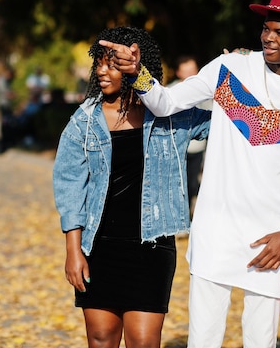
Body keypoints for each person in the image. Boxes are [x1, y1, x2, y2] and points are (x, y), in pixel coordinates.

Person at [102, 0, 280, 348]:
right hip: (216, 231)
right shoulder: (230, 67)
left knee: (262, 341)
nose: (268, 38)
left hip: (273, 239)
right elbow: (165, 103)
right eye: (265, 28)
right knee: (204, 341)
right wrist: (136, 72)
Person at [52, 27, 211, 348]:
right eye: (98, 63)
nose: (100, 70)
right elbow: (69, 187)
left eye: (111, 64)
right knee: (101, 338)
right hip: (99, 246)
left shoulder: (170, 116)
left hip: (152, 247)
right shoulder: (84, 121)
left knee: (143, 340)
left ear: (135, 66)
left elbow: (228, 119)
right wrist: (73, 252)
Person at [168, 56, 210, 217]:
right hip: (177, 148)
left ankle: (191, 215)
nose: (190, 75)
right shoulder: (170, 93)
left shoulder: (207, 94)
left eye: (192, 71)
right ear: (179, 73)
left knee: (193, 184)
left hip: (197, 148)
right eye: (186, 72)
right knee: (177, 185)